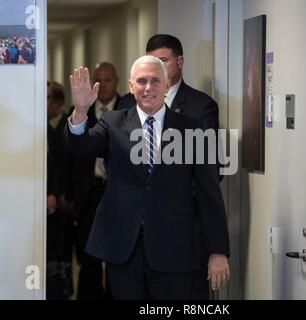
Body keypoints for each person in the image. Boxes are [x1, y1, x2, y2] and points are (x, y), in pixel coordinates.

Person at [64, 55, 230, 300]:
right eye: (141, 81)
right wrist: (80, 111)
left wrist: (217, 250)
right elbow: (80, 146)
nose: (148, 87)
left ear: (166, 85)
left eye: (155, 81)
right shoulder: (112, 122)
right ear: (131, 87)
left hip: (175, 246)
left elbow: (209, 193)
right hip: (124, 245)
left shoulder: (193, 129)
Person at [119, 34, 222, 299]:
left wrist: (217, 248)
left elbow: (209, 178)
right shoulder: (126, 104)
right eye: (153, 62)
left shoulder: (200, 107)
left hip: (180, 234)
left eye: (164, 61)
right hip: (132, 236)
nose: (159, 69)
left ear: (180, 62)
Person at [69, 62, 121, 300]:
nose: (102, 85)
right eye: (98, 80)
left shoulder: (130, 107)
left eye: (108, 80)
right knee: (88, 257)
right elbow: (69, 145)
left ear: (118, 81)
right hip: (89, 194)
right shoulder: (81, 110)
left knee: (118, 260)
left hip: (119, 194)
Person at [46, 81, 74, 299]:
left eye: (46, 98)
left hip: (61, 198)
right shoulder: (41, 125)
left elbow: (67, 164)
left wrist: (62, 192)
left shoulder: (69, 124)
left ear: (57, 103)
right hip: (47, 198)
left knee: (61, 248)